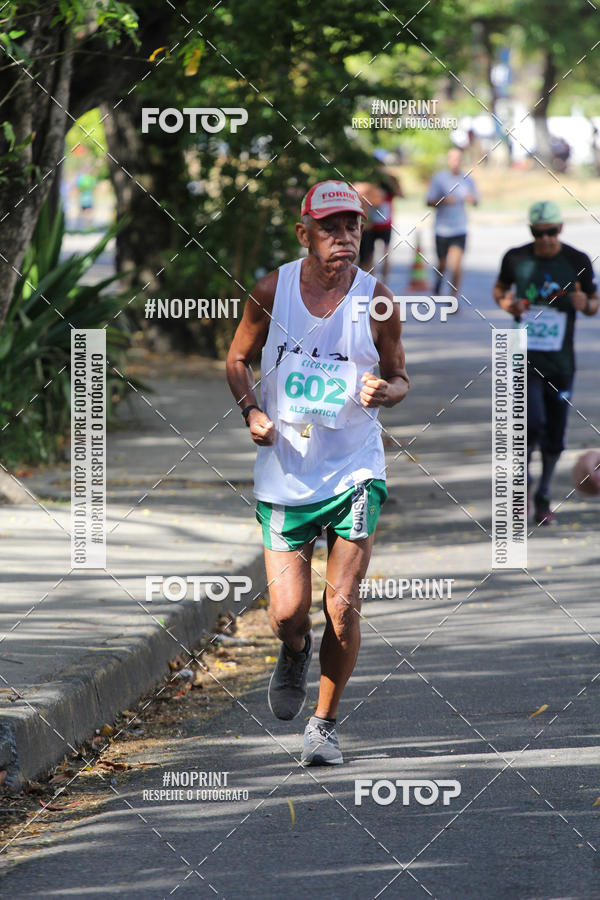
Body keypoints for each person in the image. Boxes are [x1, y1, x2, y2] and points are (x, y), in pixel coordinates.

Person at [226, 179, 409, 765]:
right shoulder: (270, 289)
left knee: (343, 602)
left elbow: (402, 374)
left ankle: (324, 723)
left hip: (355, 467)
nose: (345, 238)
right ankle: (294, 649)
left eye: (353, 226)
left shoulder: (377, 298)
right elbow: (236, 358)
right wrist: (251, 409)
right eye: (330, 228)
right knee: (285, 613)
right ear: (304, 234)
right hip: (285, 470)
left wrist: (389, 391)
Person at [493, 201, 599, 524]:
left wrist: (586, 304)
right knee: (531, 422)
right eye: (539, 233)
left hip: (561, 362)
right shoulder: (516, 257)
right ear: (531, 232)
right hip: (522, 356)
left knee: (555, 433)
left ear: (560, 229)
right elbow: (500, 289)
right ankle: (523, 489)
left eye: (551, 232)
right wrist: (508, 304)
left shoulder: (576, 261)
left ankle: (543, 494)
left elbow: (593, 302)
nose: (546, 239)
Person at [426, 147, 478, 298]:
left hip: (460, 228)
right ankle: (438, 280)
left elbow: (476, 200)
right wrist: (443, 201)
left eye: (458, 158)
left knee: (456, 265)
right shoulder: (439, 178)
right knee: (442, 264)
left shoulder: (467, 179)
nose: (456, 162)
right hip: (442, 228)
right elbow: (428, 201)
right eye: (453, 158)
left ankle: (453, 298)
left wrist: (471, 199)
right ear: (448, 160)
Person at [358, 167, 403, 280]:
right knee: (369, 256)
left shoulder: (389, 186)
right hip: (371, 226)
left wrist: (392, 179)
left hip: (385, 225)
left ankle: (383, 283)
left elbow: (401, 194)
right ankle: (371, 283)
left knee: (386, 255)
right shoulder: (369, 186)